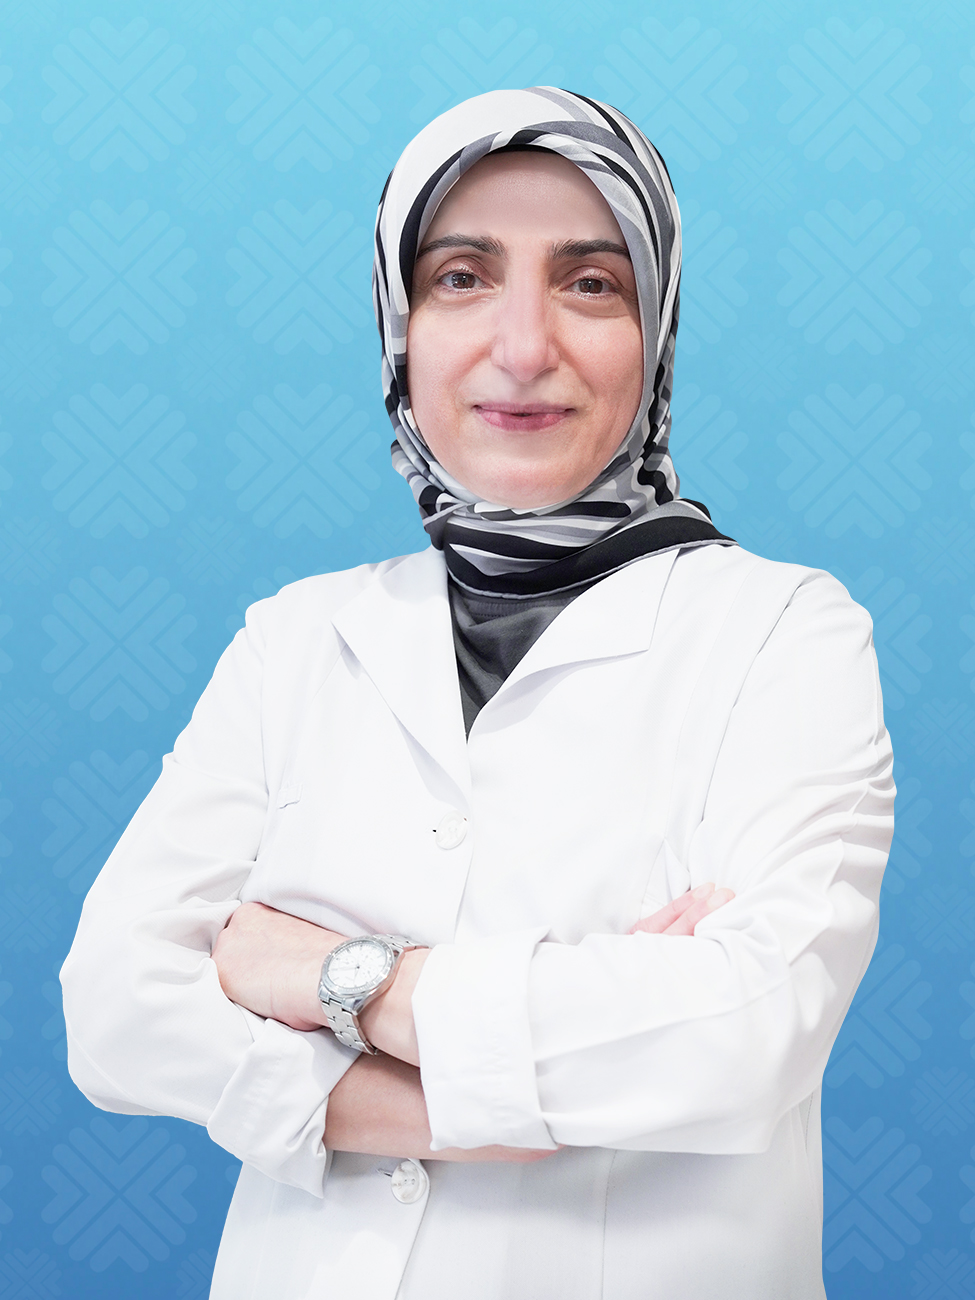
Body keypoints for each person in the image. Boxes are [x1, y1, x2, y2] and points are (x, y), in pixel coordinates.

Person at [60, 88, 894, 1300]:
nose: (522, 347)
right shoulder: (297, 638)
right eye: (461, 277)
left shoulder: (785, 633)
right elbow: (115, 1010)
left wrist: (322, 976)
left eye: (591, 283)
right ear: (399, 327)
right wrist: (460, 1098)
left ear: (657, 325)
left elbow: (743, 1033)